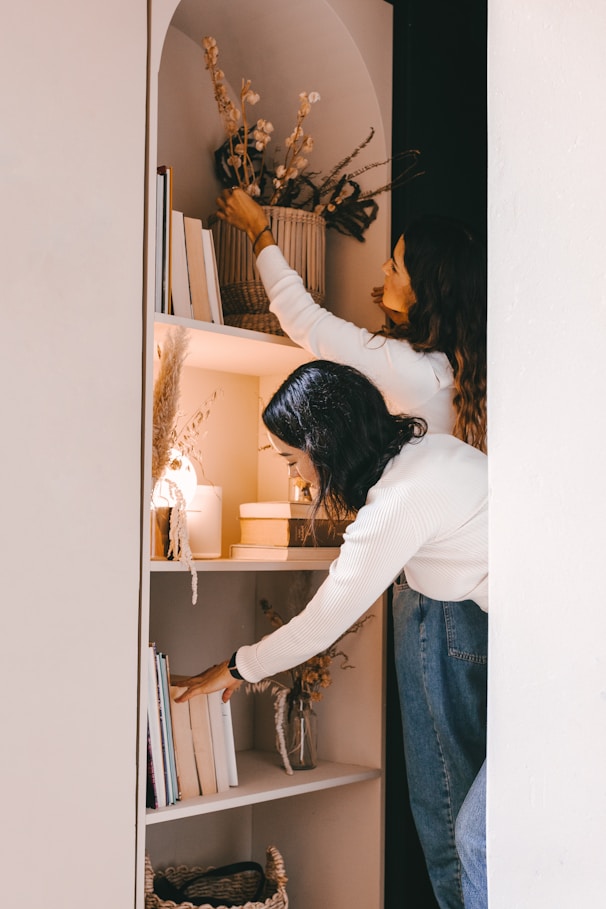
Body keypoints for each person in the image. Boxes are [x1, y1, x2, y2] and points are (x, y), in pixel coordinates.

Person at [211, 188, 488, 909]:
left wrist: (262, 233)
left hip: (436, 607)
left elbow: (305, 323)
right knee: (474, 813)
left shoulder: (408, 383)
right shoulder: (456, 377)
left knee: (450, 809)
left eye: (396, 267)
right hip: (464, 593)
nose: (384, 278)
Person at [176, 360, 488, 908]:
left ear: (325, 444)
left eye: (293, 459)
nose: (299, 477)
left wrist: (231, 668)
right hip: (542, 648)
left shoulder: (398, 501)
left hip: (563, 663)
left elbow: (322, 622)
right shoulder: (429, 453)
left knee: (475, 839)